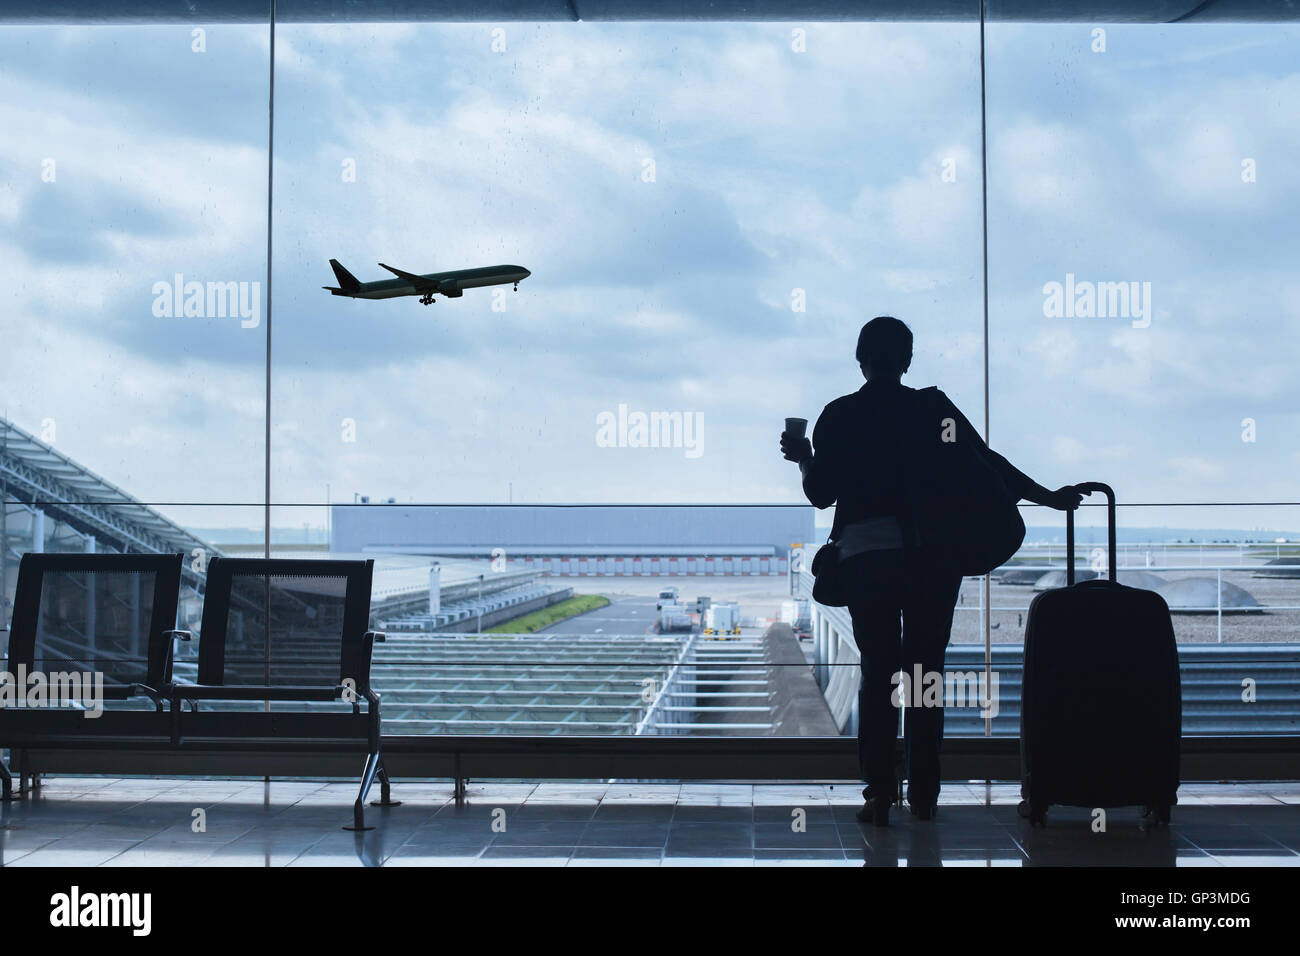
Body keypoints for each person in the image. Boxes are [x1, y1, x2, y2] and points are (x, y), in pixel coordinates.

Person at [780, 316, 1081, 826]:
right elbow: (988, 463)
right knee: (925, 675)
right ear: (907, 360)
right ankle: (924, 794)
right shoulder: (932, 409)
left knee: (879, 675)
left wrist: (804, 458)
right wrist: (1048, 498)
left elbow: (821, 493)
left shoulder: (840, 415)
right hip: (931, 558)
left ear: (860, 359)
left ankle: (878, 794)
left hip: (866, 557)